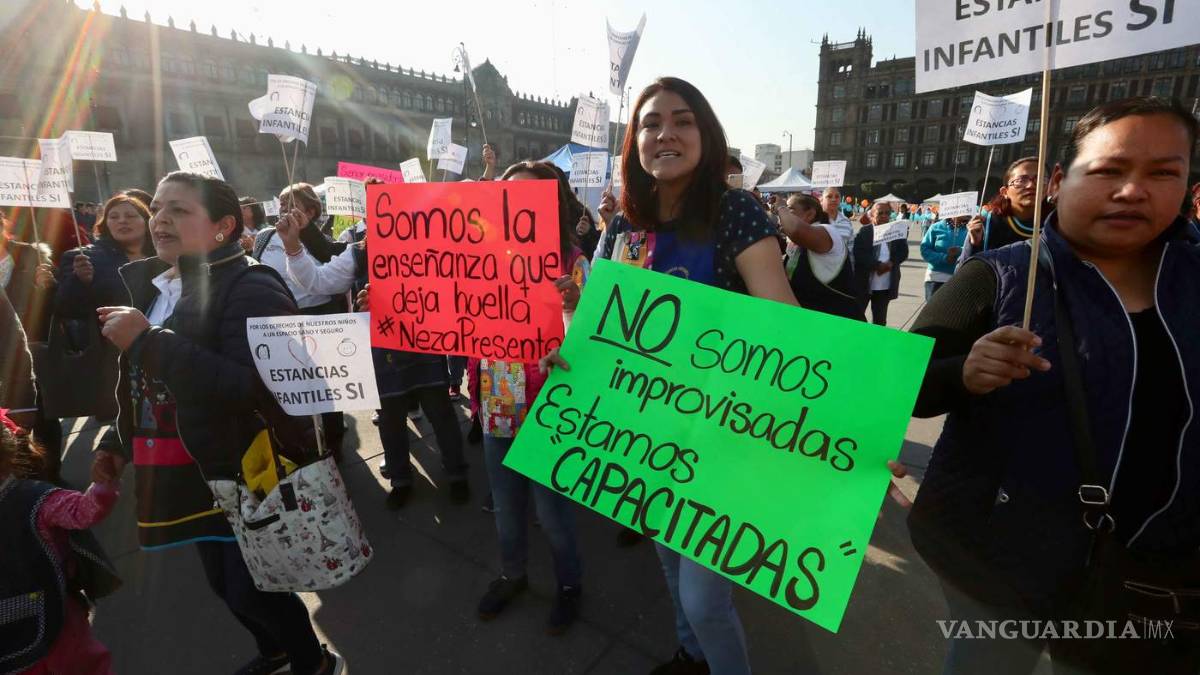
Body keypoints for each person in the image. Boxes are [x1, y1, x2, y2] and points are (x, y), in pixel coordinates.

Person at [908, 97, 1200, 675]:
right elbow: (902, 388)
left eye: (1162, 173)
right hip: (996, 563)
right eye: (1110, 169)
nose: (1133, 191)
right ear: (1060, 180)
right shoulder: (998, 274)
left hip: (1157, 577)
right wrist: (962, 373)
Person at [563, 75, 806, 675]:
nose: (665, 133)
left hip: (719, 436)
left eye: (682, 121)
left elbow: (788, 328)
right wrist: (569, 351)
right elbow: (601, 328)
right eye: (650, 123)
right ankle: (690, 655)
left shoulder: (734, 212)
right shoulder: (624, 228)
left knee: (704, 596)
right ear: (635, 143)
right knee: (669, 562)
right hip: (646, 435)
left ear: (706, 135)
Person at [95, 171, 343, 675]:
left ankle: (312, 662)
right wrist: (117, 442)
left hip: (236, 466)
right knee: (224, 584)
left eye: (179, 210)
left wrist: (147, 341)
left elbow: (256, 387)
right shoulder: (155, 284)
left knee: (251, 587)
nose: (160, 220)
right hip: (180, 467)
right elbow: (143, 387)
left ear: (223, 226)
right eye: (157, 208)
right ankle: (275, 652)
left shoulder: (251, 285)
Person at [274, 197, 470, 510]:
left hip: (425, 347)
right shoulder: (360, 252)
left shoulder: (431, 246)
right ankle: (401, 479)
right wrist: (293, 247)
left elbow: (459, 286)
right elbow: (318, 282)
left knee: (442, 414)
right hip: (382, 352)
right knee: (390, 419)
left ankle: (457, 473)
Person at [465, 160, 588, 635]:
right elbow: (449, 308)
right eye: (508, 193)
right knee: (506, 507)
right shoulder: (480, 254)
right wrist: (389, 301)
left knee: (553, 514)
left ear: (551, 203)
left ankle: (569, 585)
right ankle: (512, 574)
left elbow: (591, 344)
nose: (516, 203)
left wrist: (574, 307)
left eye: (529, 195)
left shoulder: (573, 262)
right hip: (497, 398)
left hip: (547, 407)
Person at [0, 409, 122, 675]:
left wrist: (101, 486)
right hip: (40, 624)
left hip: (37, 630)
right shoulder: (33, 496)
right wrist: (101, 487)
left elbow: (82, 511)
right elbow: (84, 511)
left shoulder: (31, 498)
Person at [253, 183, 348, 461]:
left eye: (292, 204)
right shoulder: (264, 237)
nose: (284, 208)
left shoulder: (319, 240)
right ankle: (300, 446)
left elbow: (330, 269)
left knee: (325, 388)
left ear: (311, 211)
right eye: (282, 203)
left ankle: (333, 444)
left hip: (319, 317)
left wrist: (303, 236)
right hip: (281, 320)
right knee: (291, 386)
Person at [775, 193, 863, 320]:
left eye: (790, 210)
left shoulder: (828, 231)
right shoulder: (795, 242)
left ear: (810, 214)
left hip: (838, 322)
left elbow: (794, 229)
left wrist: (781, 207)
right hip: (810, 321)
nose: (783, 216)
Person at [959, 156, 1049, 265]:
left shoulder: (1057, 223)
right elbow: (962, 269)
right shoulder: (987, 220)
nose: (1031, 185)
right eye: (1021, 180)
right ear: (1004, 192)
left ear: (1049, 188)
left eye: (1040, 179)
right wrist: (974, 244)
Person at [852, 200, 908, 326]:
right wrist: (877, 265)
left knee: (880, 320)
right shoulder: (865, 232)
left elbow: (903, 252)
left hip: (885, 286)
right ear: (872, 215)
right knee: (856, 317)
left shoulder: (896, 230)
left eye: (887, 213)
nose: (884, 216)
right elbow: (859, 253)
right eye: (880, 213)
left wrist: (891, 263)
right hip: (864, 284)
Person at [919, 215, 968, 300]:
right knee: (934, 308)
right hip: (936, 278)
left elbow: (976, 249)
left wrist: (960, 250)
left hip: (961, 279)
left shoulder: (971, 229)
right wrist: (944, 258)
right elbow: (925, 250)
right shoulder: (936, 227)